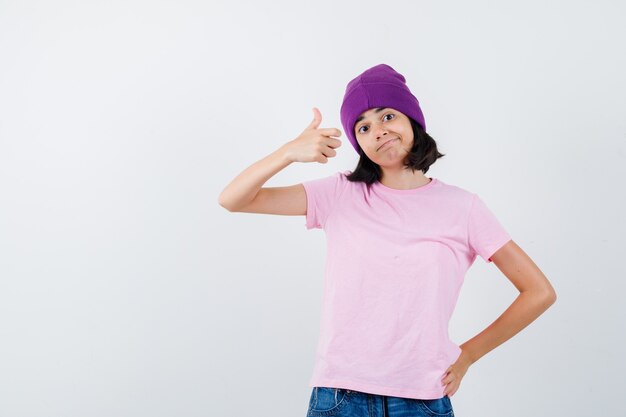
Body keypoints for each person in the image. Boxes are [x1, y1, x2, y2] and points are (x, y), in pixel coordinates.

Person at [218, 63, 557, 417]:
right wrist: (287, 152)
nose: (377, 131)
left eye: (388, 116)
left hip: (422, 397)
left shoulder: (463, 207)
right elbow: (233, 199)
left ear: (412, 120)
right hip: (339, 397)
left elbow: (538, 291)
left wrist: (468, 354)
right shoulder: (339, 194)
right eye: (363, 127)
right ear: (358, 144)